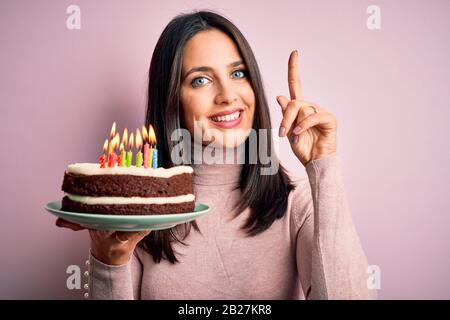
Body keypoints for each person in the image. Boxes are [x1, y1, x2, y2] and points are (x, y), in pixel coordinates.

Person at [56, 10, 376, 300]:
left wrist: (324, 165)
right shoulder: (137, 212)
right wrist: (106, 263)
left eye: (238, 74)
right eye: (201, 80)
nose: (227, 95)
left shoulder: (294, 200)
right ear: (172, 100)